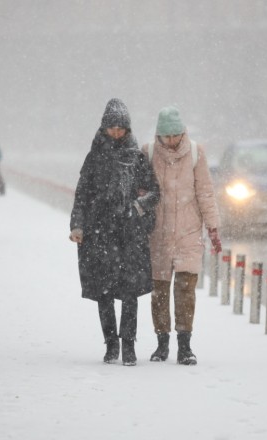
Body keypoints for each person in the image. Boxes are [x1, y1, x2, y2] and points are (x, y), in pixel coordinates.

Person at [69, 98, 160, 366]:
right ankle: (111, 344)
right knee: (104, 291)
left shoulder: (137, 158)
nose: (117, 132)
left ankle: (128, 345)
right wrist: (77, 225)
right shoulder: (94, 157)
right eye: (112, 127)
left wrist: (137, 205)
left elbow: (154, 192)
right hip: (99, 233)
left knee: (130, 292)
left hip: (129, 233)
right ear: (104, 128)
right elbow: (82, 194)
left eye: (122, 128)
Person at [142, 106, 222, 366]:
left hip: (188, 232)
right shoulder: (149, 152)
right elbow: (141, 191)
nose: (172, 141)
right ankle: (161, 343)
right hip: (158, 234)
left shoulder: (196, 153)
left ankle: (185, 346)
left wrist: (213, 227)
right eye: (167, 136)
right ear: (159, 136)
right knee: (160, 291)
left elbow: (205, 192)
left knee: (186, 290)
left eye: (176, 135)